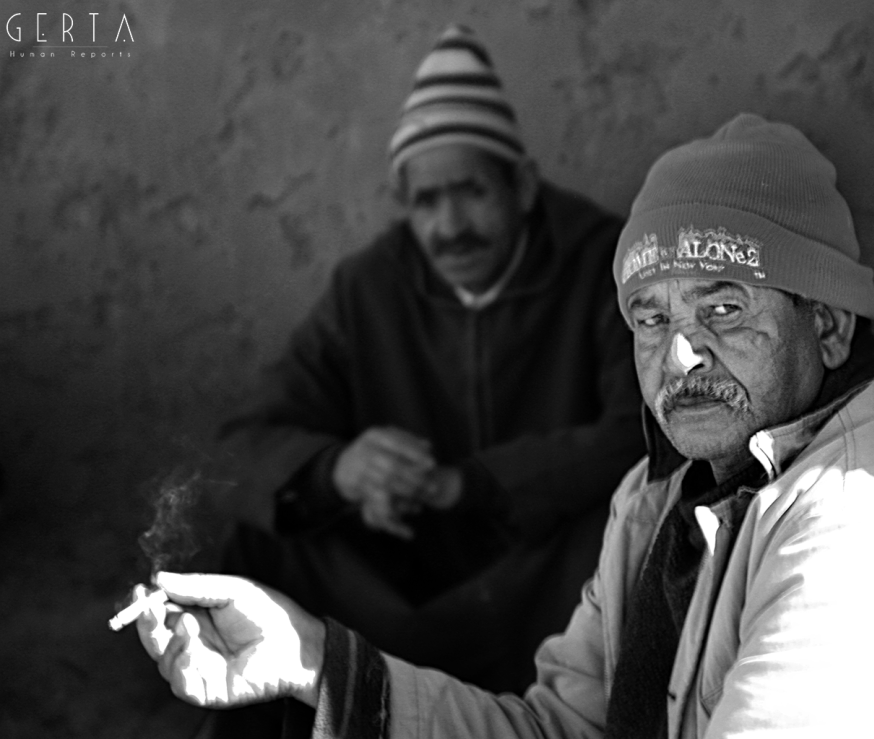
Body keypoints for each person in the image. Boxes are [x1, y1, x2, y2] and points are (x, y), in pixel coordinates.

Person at [140, 113, 874, 737]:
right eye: (650, 317)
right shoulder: (665, 496)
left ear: (826, 325)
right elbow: (563, 730)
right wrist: (311, 659)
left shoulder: (860, 527)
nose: (680, 356)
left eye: (722, 309)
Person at [213, 22, 645, 702]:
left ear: (523, 186)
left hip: (543, 582)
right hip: (404, 580)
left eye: (472, 192)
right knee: (261, 542)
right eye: (426, 201)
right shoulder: (367, 287)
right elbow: (244, 445)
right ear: (404, 207)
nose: (450, 226)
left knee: (624, 526)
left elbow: (639, 431)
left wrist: (467, 484)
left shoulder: (602, 262)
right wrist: (339, 471)